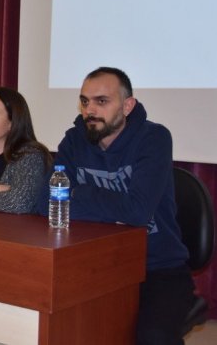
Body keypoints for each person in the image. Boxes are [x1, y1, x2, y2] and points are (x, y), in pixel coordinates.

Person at [39, 67, 193, 345]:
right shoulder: (74, 140)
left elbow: (137, 211)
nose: (90, 110)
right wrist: (115, 207)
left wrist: (80, 194)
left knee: (153, 337)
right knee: (67, 326)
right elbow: (45, 201)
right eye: (85, 101)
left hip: (157, 268)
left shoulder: (154, 138)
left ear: (127, 105)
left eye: (102, 101)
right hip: (95, 265)